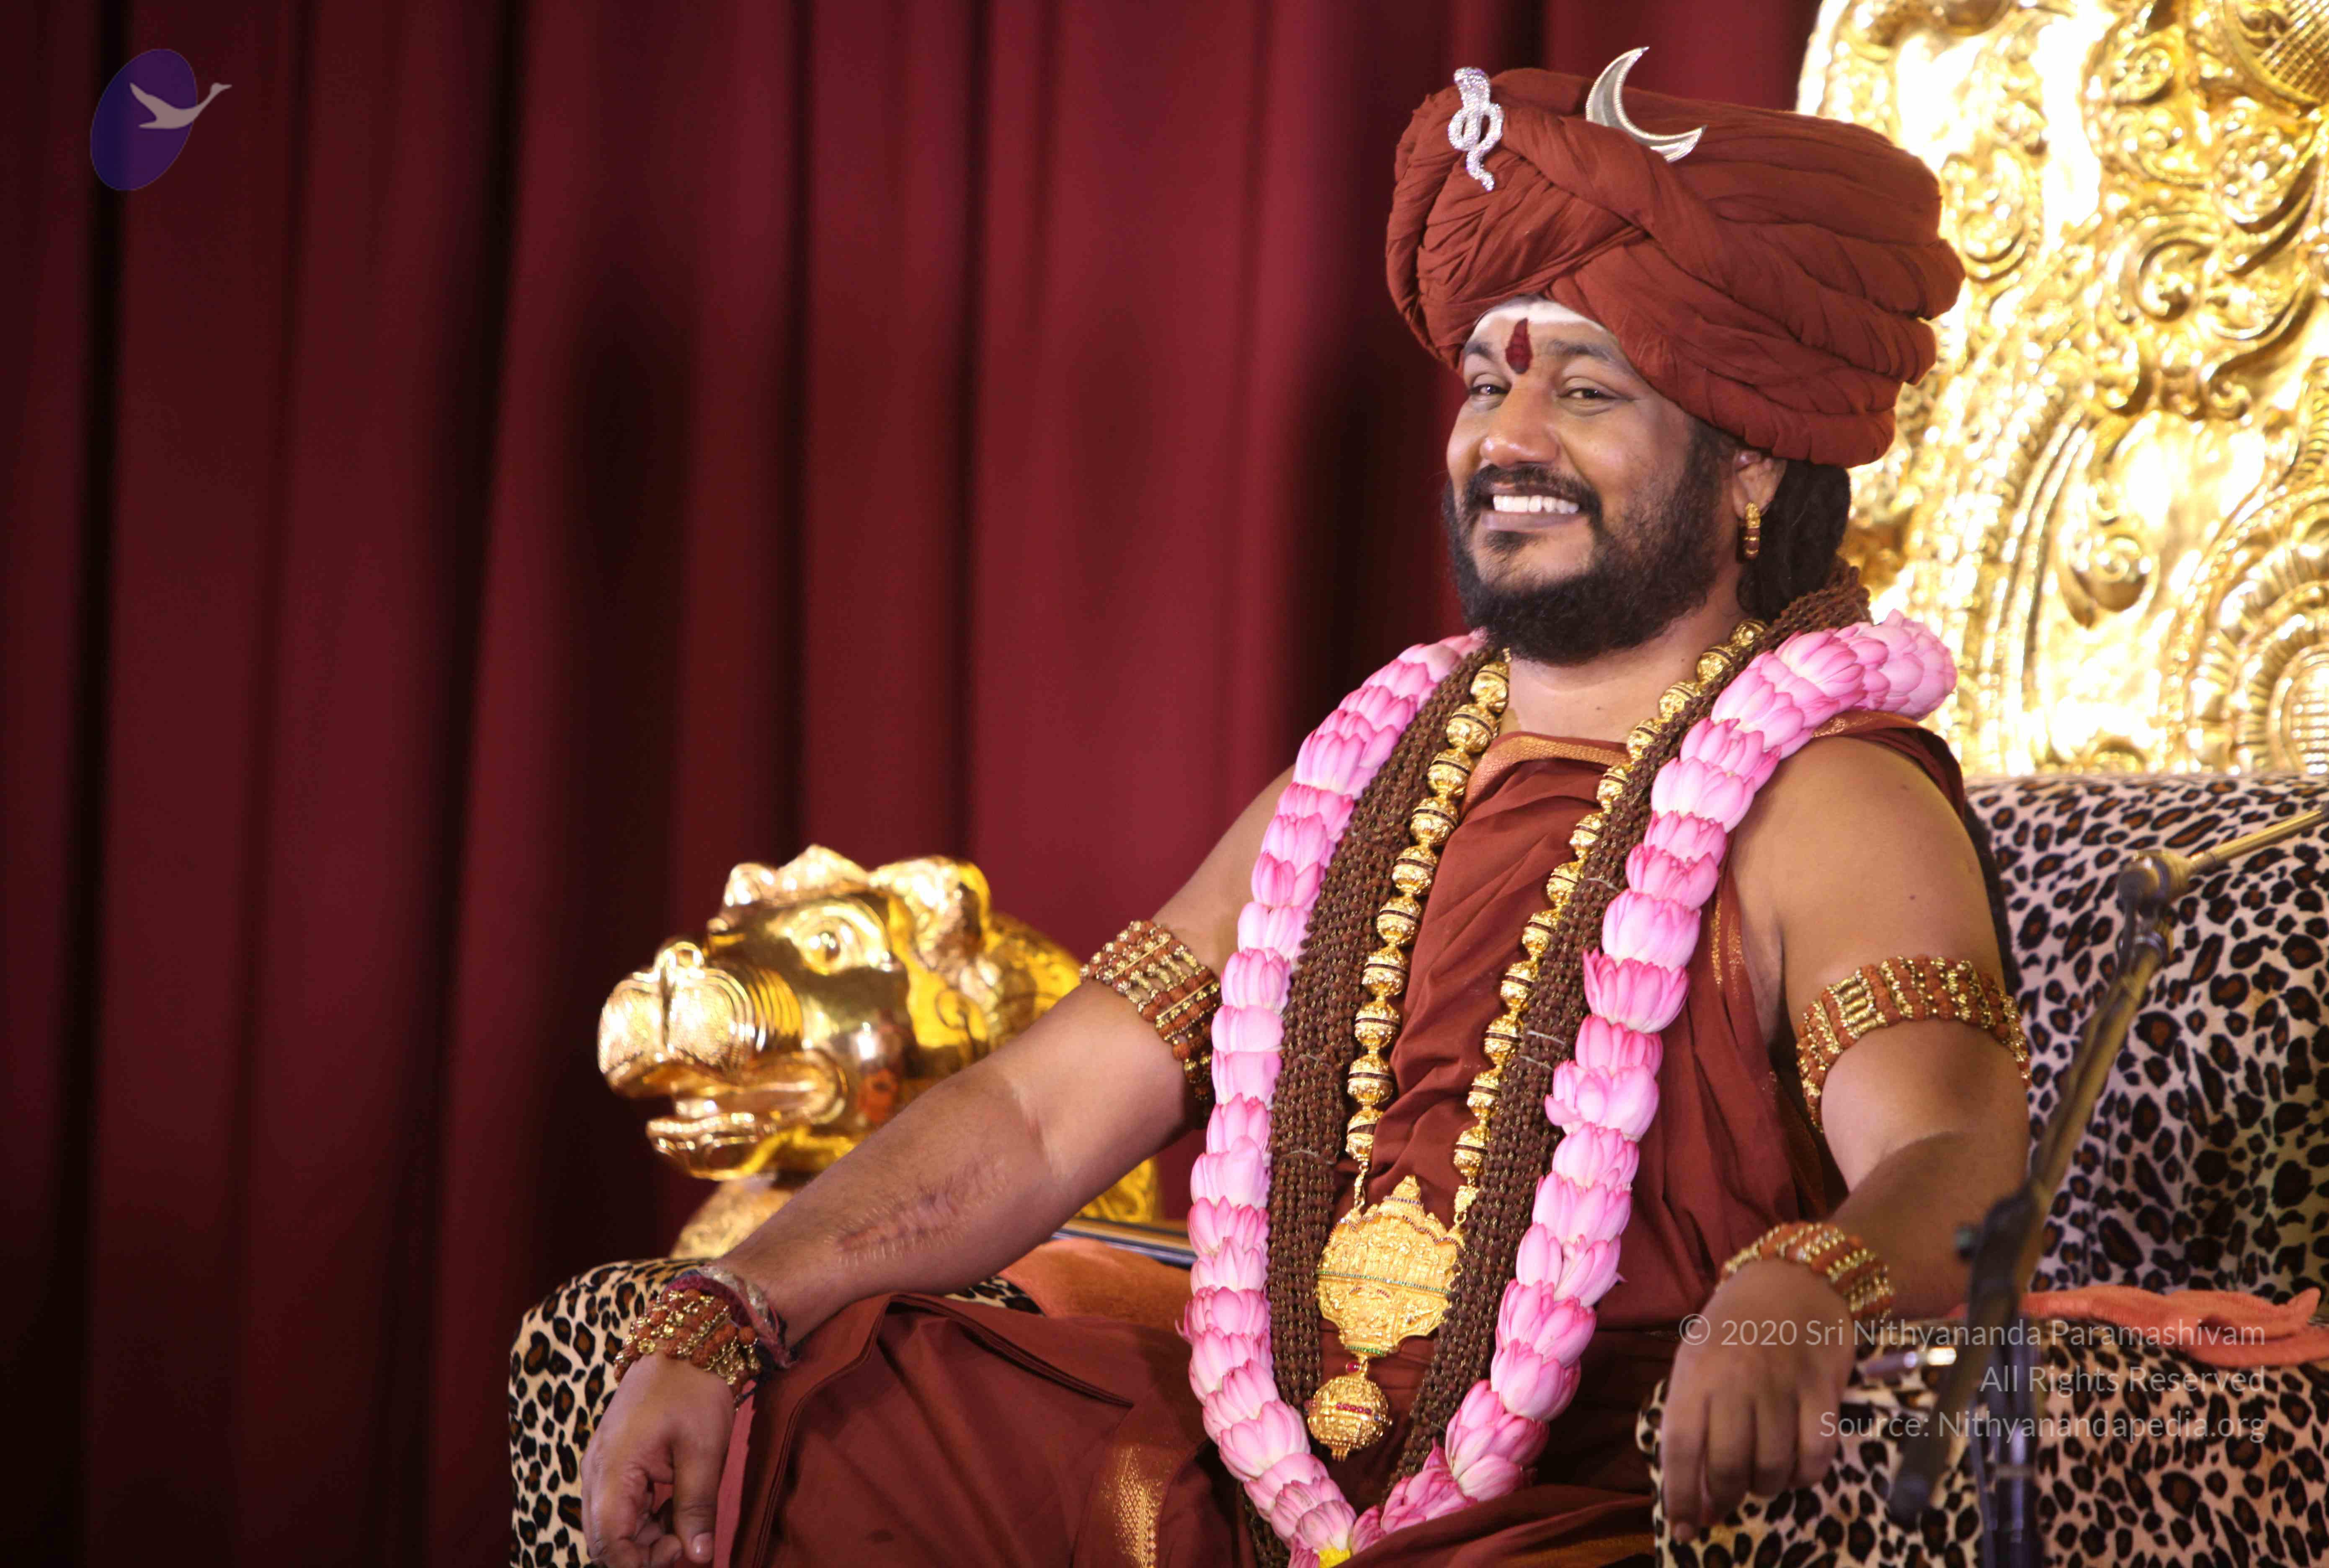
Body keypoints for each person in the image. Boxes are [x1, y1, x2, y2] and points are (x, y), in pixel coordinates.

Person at [580, 59, 2030, 1567]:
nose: (1508, 438)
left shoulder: (1827, 799)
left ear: (1751, 461)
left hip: (1591, 1521)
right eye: (1490, 384)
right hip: (1261, 1502)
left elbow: (1957, 1150)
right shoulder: (1353, 786)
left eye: (1588, 391)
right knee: (820, 1415)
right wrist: (733, 1301)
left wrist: (1806, 1290)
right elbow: (1038, 1113)